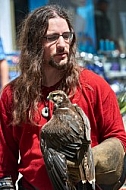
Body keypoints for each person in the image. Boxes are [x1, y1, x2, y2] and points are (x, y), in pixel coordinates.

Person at [0, 4, 126, 190]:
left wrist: (94, 158)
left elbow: (118, 139)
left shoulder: (94, 86)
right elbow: (4, 162)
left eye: (66, 36)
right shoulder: (14, 95)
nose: (62, 44)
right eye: (52, 38)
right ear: (34, 42)